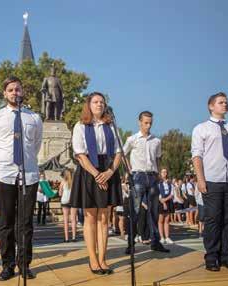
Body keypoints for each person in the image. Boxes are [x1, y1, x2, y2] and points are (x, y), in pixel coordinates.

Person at [0, 76, 42, 281]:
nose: (14, 93)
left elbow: (36, 145)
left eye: (18, 89)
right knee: (5, 223)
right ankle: (7, 265)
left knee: (25, 223)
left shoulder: (33, 117)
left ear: (22, 92)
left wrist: (26, 161)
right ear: (4, 93)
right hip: (3, 174)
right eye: (10, 90)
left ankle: (24, 264)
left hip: (28, 175)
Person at [192, 92, 228, 271]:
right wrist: (200, 180)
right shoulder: (201, 128)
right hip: (212, 180)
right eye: (221, 102)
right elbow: (197, 156)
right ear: (211, 106)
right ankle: (211, 256)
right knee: (212, 220)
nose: (225, 105)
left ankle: (225, 255)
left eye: (226, 102)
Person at [70, 92, 122, 275]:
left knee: (104, 217)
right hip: (89, 171)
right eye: (95, 101)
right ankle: (93, 258)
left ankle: (103, 259)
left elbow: (118, 153)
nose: (99, 104)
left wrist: (109, 172)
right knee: (91, 216)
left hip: (108, 170)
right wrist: (96, 174)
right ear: (89, 105)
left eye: (102, 102)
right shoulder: (80, 126)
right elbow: (80, 155)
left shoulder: (111, 126)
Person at [123, 111, 170, 254]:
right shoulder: (132, 139)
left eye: (150, 123)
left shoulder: (157, 140)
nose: (148, 126)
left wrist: (158, 174)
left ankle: (155, 242)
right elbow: (122, 155)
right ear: (139, 122)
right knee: (135, 211)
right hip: (138, 175)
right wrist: (129, 170)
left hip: (153, 176)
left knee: (154, 212)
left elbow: (158, 158)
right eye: (145, 123)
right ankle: (131, 244)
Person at [59, 168, 77, 242]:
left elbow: (60, 193)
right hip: (73, 201)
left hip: (65, 201)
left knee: (66, 220)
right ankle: (74, 237)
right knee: (73, 219)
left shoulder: (63, 182)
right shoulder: (74, 182)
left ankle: (66, 238)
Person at [158, 168, 174, 244]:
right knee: (161, 220)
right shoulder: (158, 183)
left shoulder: (170, 183)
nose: (164, 173)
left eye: (166, 172)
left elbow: (172, 194)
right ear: (160, 173)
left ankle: (167, 237)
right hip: (160, 202)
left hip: (168, 202)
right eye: (163, 172)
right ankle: (162, 237)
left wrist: (166, 200)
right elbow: (158, 194)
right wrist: (163, 202)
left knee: (167, 220)